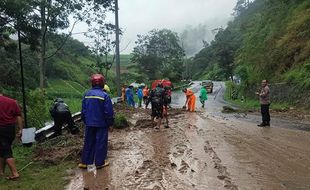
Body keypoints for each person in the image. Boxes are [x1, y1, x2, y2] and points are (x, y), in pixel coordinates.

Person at [79, 74, 114, 169]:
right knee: (101, 143)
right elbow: (108, 112)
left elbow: (83, 110)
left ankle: (85, 162)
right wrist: (110, 123)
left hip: (89, 123)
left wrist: (85, 120)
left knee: (88, 142)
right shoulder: (104, 95)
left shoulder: (86, 94)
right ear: (102, 83)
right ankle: (99, 163)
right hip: (102, 124)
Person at [0, 93, 23, 180]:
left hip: (0, 129)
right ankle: (1, 172)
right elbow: (18, 116)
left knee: (6, 150)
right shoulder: (12, 102)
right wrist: (21, 129)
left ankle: (15, 173)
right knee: (2, 149)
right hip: (10, 129)